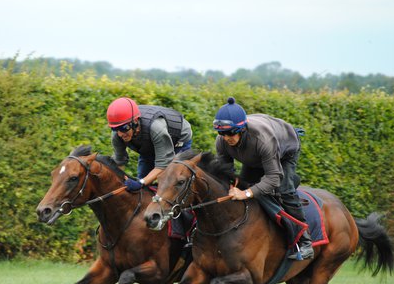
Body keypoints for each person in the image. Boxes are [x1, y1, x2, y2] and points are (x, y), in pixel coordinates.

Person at [213, 97, 314, 260]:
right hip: (254, 157)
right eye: (221, 133)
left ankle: (305, 242)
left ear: (242, 129)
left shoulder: (263, 140)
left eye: (230, 132)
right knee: (245, 185)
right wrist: (232, 187)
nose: (226, 138)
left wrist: (245, 193)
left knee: (283, 189)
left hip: (285, 150)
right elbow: (225, 173)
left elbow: (273, 177)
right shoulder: (222, 142)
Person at [107, 97, 193, 191]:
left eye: (124, 128)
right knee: (143, 179)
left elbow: (163, 164)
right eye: (115, 129)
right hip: (149, 141)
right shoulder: (117, 135)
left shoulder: (156, 129)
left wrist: (141, 183)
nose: (120, 134)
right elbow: (119, 161)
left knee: (172, 180)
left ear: (135, 122)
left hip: (178, 137)